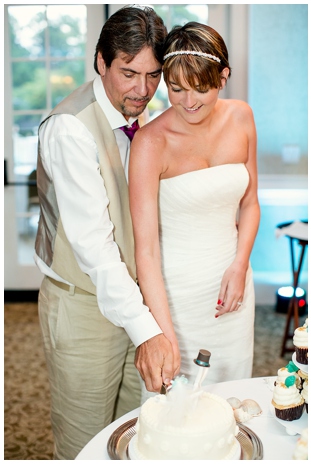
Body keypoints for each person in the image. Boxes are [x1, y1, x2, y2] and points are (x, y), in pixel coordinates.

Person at [33, 6, 174, 459]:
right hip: (82, 307)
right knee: (86, 446)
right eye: (128, 73)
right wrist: (147, 331)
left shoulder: (148, 120)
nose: (142, 90)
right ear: (100, 62)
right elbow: (94, 246)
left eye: (153, 76)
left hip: (134, 300)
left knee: (136, 435)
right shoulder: (70, 129)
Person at [129, 22, 259, 395]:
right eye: (176, 88)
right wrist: (162, 333)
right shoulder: (150, 143)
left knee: (233, 397)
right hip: (176, 296)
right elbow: (146, 251)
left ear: (223, 77)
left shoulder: (242, 117)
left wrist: (239, 264)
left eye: (200, 89)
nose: (187, 102)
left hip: (232, 288)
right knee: (176, 407)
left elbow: (250, 205)